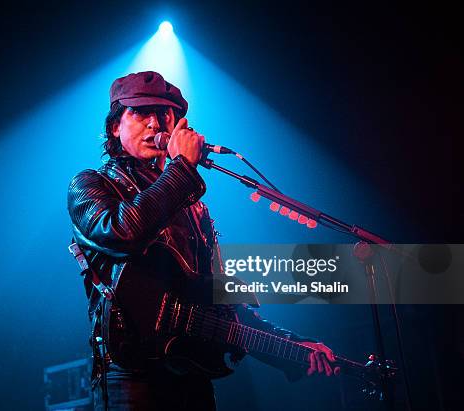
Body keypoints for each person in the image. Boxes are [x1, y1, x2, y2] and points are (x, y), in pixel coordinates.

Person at [67, 71, 338, 410]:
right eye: (140, 112)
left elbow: (225, 306)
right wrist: (181, 169)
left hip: (192, 373)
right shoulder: (91, 187)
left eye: (164, 114)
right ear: (114, 127)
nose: (155, 124)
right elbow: (122, 233)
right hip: (130, 376)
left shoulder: (194, 208)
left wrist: (292, 347)